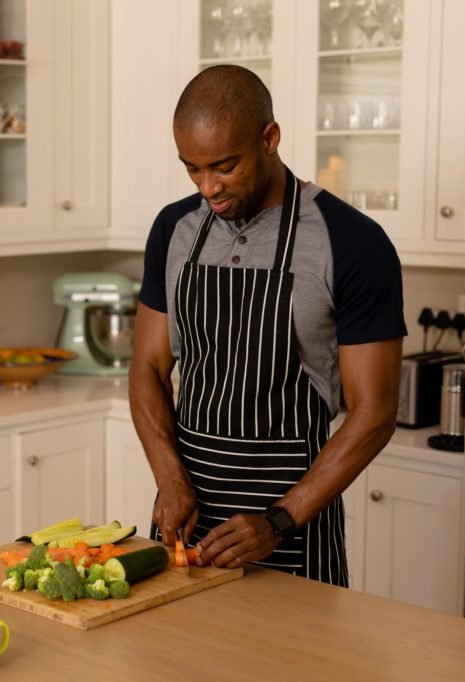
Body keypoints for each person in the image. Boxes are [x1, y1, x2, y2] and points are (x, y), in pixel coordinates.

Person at [129, 65, 405, 586]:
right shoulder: (174, 230)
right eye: (192, 169)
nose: (208, 187)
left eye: (224, 166)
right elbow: (147, 365)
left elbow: (376, 412)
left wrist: (279, 520)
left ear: (270, 138)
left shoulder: (352, 242)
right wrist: (168, 476)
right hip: (186, 524)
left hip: (292, 533)